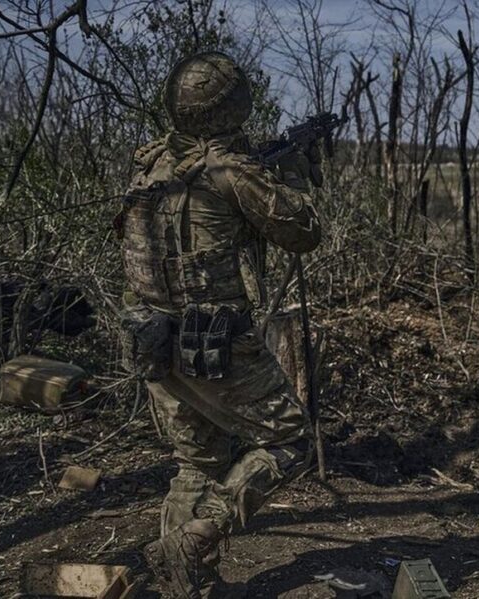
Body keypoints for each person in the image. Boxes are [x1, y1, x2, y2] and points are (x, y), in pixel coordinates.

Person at [116, 52, 323, 598]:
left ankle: (185, 583)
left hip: (151, 335)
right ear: (235, 105)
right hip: (215, 342)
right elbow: (303, 232)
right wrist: (297, 170)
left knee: (196, 461)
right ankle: (199, 538)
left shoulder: (151, 164)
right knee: (290, 441)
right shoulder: (231, 172)